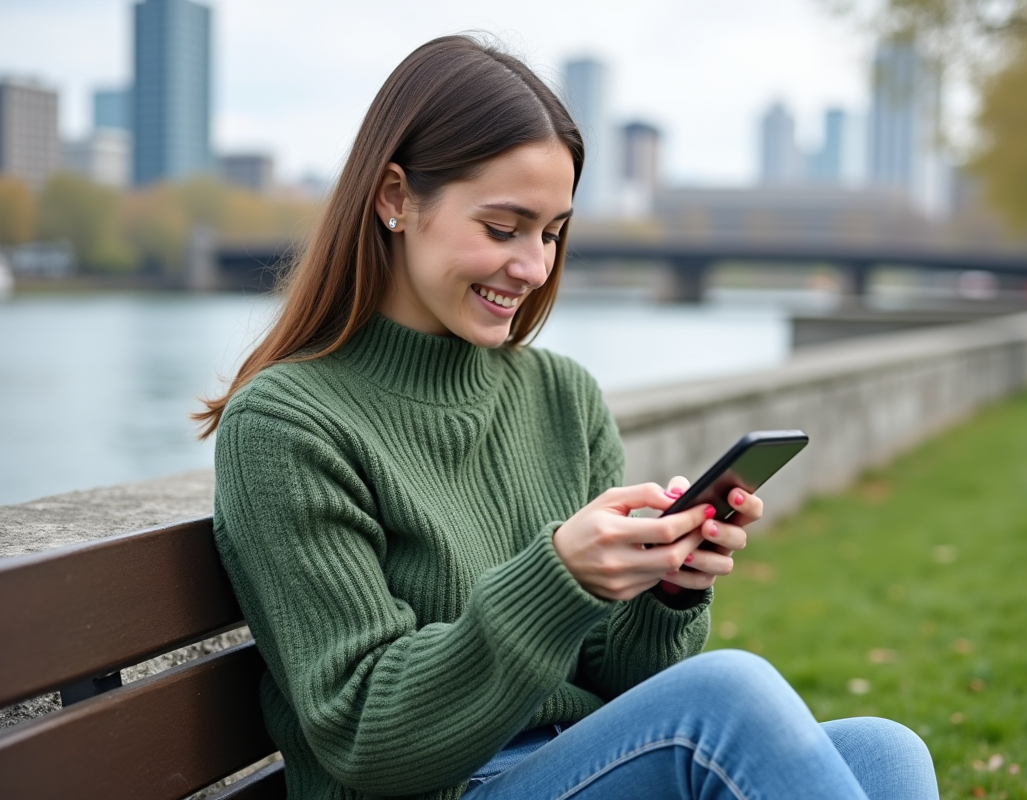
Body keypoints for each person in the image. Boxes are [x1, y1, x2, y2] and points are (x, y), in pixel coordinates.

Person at [198, 35, 939, 800]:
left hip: (568, 762)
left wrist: (664, 590)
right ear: (394, 198)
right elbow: (365, 740)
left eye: (552, 233)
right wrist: (558, 578)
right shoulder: (288, 425)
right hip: (435, 789)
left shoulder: (562, 396)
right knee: (730, 701)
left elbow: (620, 682)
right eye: (502, 228)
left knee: (887, 753)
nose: (534, 267)